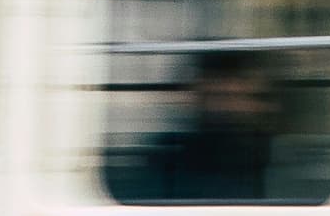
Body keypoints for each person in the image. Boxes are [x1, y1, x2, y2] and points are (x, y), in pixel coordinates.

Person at [112, 51, 280, 204]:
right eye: (219, 96)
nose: (228, 106)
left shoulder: (270, 154)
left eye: (238, 97)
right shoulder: (170, 154)